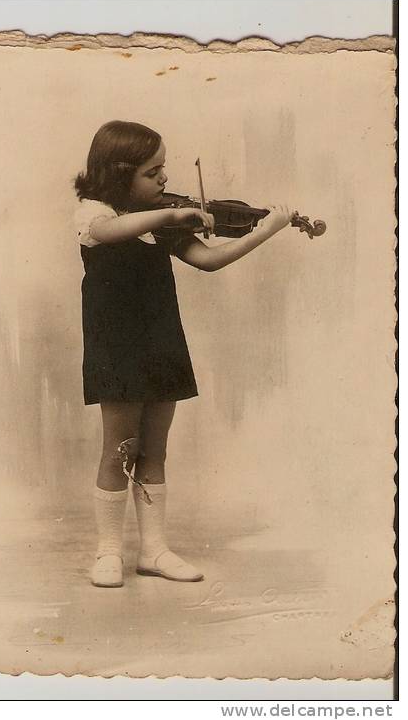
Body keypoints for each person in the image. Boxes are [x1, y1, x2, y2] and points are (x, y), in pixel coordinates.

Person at [74, 120, 292, 588]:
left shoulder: (161, 217)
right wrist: (172, 216)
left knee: (155, 449)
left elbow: (210, 259)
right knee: (119, 449)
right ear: (119, 172)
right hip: (116, 346)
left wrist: (268, 230)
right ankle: (108, 552)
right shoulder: (96, 212)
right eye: (153, 173)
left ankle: (153, 551)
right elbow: (109, 231)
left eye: (164, 170)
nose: (165, 181)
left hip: (161, 341)